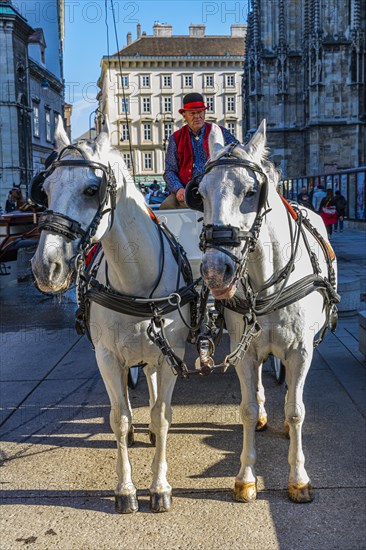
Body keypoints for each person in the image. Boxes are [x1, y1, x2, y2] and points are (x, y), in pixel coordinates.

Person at [160, 93, 237, 209]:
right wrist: (178, 189)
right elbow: (170, 170)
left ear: (204, 113)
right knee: (166, 206)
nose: (197, 116)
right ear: (184, 115)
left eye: (200, 112)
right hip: (187, 191)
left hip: (216, 189)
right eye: (192, 113)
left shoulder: (220, 132)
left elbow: (238, 152)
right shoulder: (175, 138)